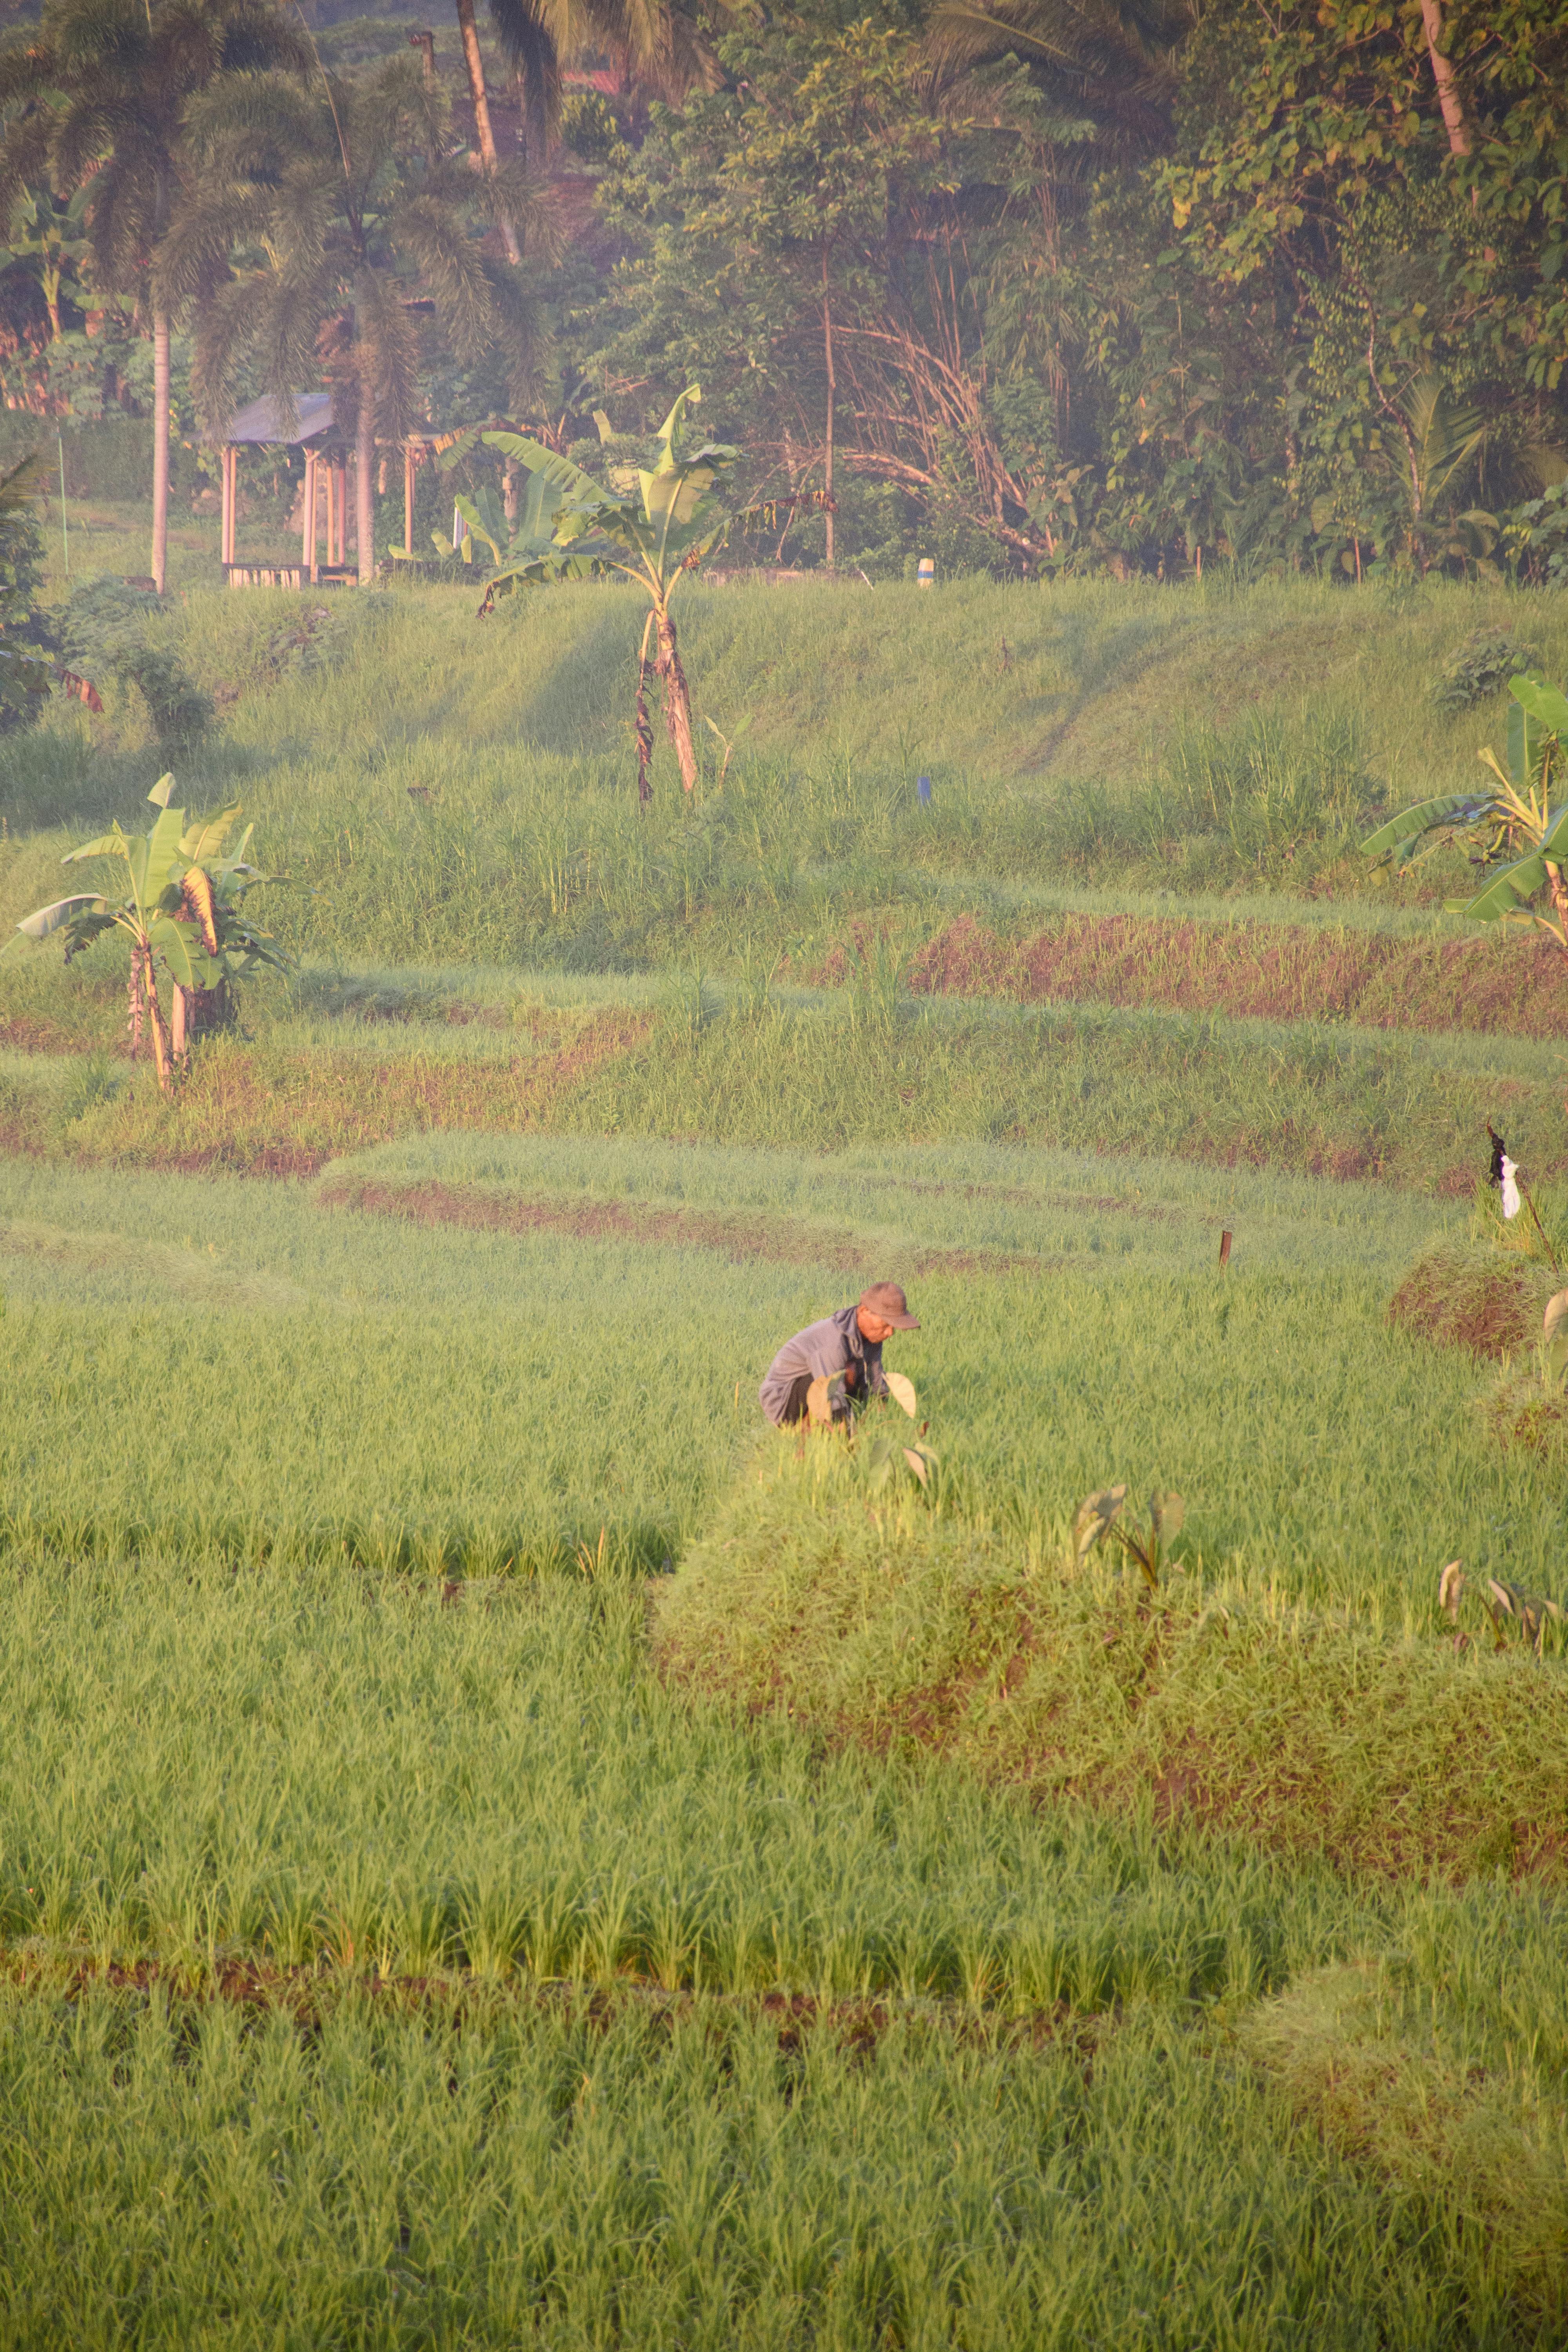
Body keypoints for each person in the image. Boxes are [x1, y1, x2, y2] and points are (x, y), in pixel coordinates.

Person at [759, 1282, 920, 1428]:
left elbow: (876, 1378)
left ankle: (824, 1426)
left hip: (820, 1386)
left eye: (893, 1326)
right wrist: (847, 1434)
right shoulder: (834, 1340)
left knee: (856, 1376)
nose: (890, 1332)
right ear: (864, 1311)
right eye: (886, 1325)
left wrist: (883, 1416)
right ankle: (805, 1429)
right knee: (847, 1373)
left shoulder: (872, 1337)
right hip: (783, 1400)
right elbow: (830, 1390)